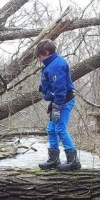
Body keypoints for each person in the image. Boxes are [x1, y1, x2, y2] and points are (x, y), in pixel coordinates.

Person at [36, 39, 81, 171]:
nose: (39, 59)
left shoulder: (57, 65)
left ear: (46, 52)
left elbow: (60, 88)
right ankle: (54, 159)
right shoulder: (50, 64)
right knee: (51, 129)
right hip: (57, 101)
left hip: (63, 101)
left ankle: (73, 161)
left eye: (39, 56)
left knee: (60, 128)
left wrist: (57, 105)